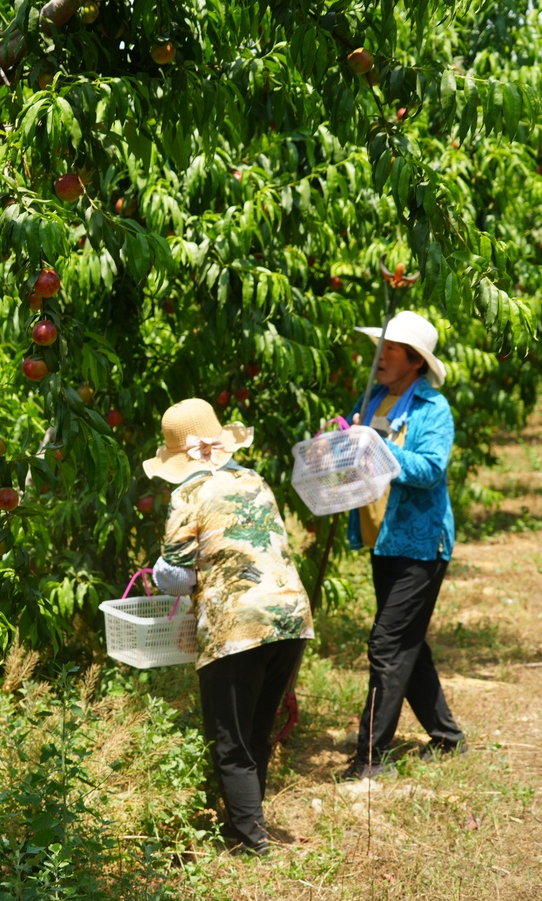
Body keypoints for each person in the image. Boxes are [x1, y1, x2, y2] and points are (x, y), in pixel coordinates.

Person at [145, 398, 314, 856]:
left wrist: (163, 572)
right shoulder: (254, 480)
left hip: (236, 625)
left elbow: (176, 574)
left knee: (229, 737)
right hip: (290, 617)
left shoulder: (187, 495)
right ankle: (247, 822)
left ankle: (250, 839)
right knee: (257, 727)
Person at [341, 310, 465, 781]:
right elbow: (354, 456)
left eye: (390, 348)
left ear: (413, 360)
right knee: (408, 642)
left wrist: (376, 445)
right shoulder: (371, 399)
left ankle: (371, 758)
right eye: (381, 346)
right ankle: (448, 738)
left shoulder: (433, 409)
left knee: (387, 644)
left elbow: (430, 468)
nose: (380, 356)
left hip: (420, 543)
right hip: (382, 540)